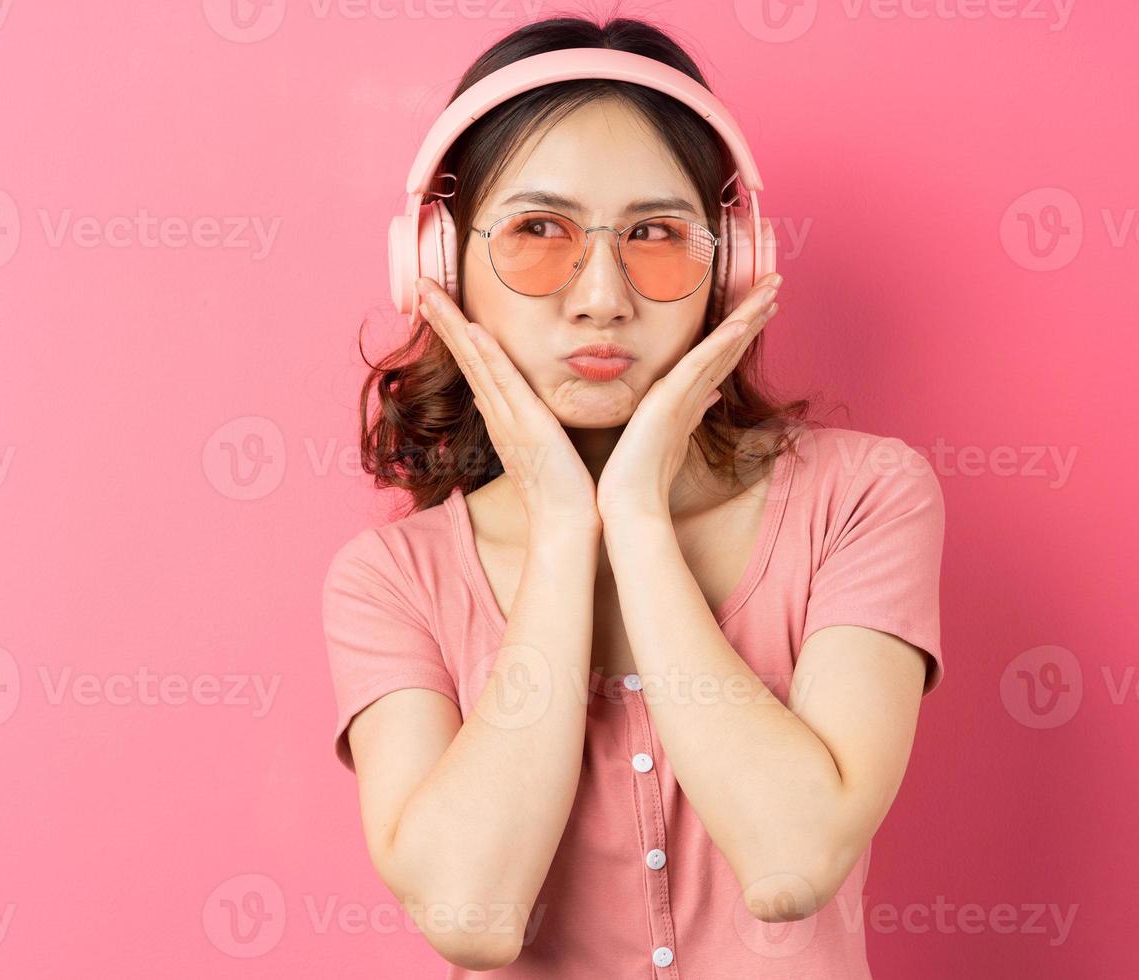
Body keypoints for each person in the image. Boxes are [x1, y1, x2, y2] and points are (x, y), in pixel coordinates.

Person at [324, 15, 945, 978]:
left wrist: (640, 517)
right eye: (538, 231)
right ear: (439, 268)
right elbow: (471, 914)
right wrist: (568, 524)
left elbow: (790, 864)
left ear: (727, 265)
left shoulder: (863, 496)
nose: (602, 295)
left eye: (656, 234)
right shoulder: (391, 582)